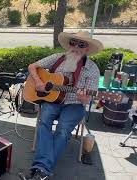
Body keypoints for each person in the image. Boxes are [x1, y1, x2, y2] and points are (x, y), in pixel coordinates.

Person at [22, 31, 103, 180]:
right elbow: (32, 66)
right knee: (44, 122)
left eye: (81, 44)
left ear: (87, 49)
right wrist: (39, 82)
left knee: (63, 130)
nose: (76, 47)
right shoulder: (58, 58)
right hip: (52, 101)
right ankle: (43, 171)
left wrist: (83, 97)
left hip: (74, 105)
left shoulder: (92, 69)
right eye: (73, 42)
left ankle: (41, 168)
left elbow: (87, 101)